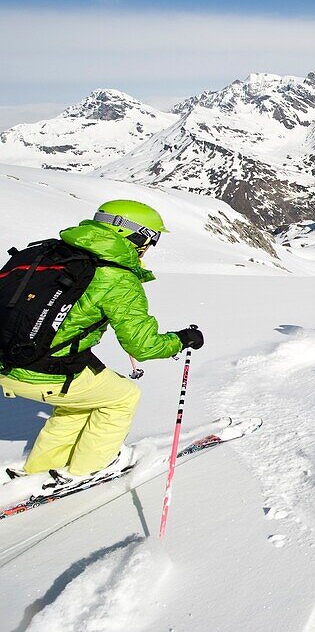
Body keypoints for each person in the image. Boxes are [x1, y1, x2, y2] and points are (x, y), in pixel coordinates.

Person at [0, 200, 203, 483]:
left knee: (78, 403)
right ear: (132, 234)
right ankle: (89, 468)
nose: (148, 247)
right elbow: (142, 346)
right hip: (43, 370)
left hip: (8, 362)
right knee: (123, 398)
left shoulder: (51, 253)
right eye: (150, 239)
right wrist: (181, 340)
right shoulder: (115, 277)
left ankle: (39, 468)